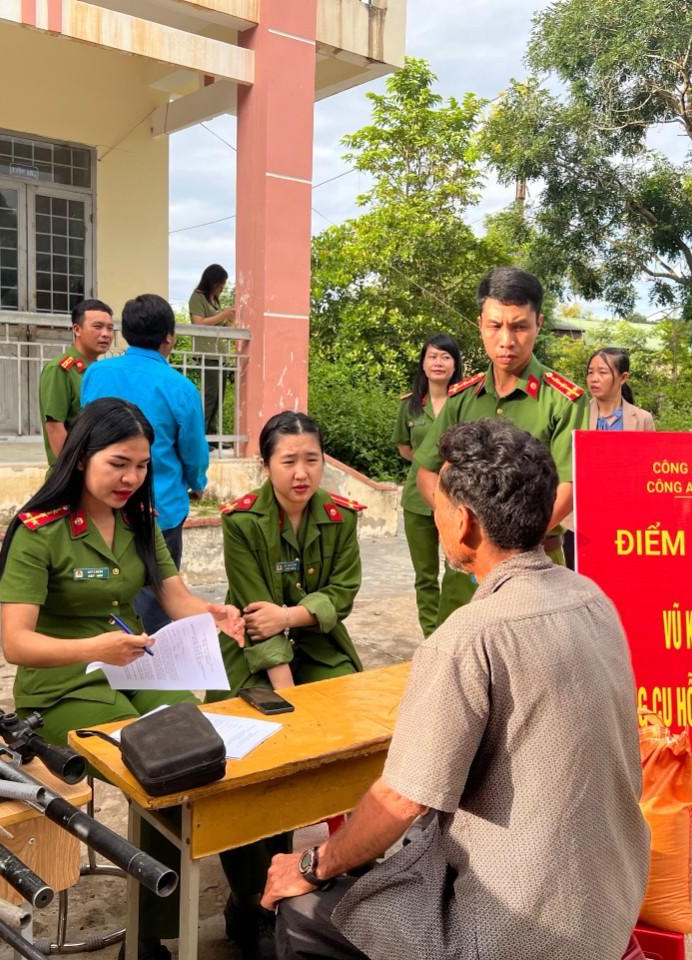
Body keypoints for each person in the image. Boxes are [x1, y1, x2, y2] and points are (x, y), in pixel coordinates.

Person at [264, 418, 650, 960]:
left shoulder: (469, 637)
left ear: (464, 523)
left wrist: (311, 864)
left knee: (302, 914)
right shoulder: (591, 597)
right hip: (610, 901)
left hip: (513, 929)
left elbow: (402, 799)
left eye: (439, 504)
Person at [0, 396, 244, 960]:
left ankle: (153, 925)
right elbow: (16, 642)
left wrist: (215, 613)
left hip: (134, 663)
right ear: (81, 457)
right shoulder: (40, 530)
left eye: (141, 465)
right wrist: (95, 647)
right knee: (154, 756)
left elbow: (174, 596)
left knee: (194, 745)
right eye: (118, 464)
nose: (131, 478)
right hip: (61, 682)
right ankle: (150, 931)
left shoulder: (139, 520)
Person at [213, 411, 364, 959]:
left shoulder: (341, 516)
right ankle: (251, 899)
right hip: (256, 656)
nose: (302, 473)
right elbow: (255, 618)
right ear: (266, 464)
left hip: (320, 647)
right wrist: (287, 695)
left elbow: (342, 592)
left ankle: (355, 867)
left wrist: (291, 615)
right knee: (255, 758)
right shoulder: (242, 521)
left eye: (312, 459)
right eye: (288, 461)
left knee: (354, 737)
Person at [413, 267, 588, 626]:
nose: (506, 340)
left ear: (538, 324)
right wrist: (458, 525)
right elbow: (427, 472)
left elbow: (570, 486)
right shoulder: (462, 399)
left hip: (534, 570)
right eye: (495, 326)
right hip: (467, 574)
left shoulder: (564, 401)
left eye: (519, 326)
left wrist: (509, 540)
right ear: (480, 324)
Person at [80, 294, 209, 631]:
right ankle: (150, 667)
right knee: (158, 595)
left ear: (127, 334)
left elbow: (85, 431)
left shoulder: (96, 374)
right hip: (159, 508)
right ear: (169, 337)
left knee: (104, 591)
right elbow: (194, 451)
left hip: (101, 507)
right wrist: (197, 484)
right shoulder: (180, 387)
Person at [394, 335, 463, 636]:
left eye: (446, 357)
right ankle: (431, 636)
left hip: (458, 497)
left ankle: (453, 633)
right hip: (417, 499)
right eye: (433, 356)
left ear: (455, 365)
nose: (438, 362)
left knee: (457, 570)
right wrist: (427, 469)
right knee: (425, 575)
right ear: (423, 363)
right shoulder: (409, 406)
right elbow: (404, 448)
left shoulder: (465, 400)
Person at [564, 346, 656, 568]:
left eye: (602, 372)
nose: (594, 379)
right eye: (590, 372)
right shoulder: (576, 414)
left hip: (625, 518)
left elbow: (649, 470)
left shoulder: (642, 419)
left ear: (623, 377)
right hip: (579, 521)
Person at [39, 298, 115, 465]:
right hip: (73, 473)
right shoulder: (60, 369)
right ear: (77, 329)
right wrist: (71, 469)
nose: (106, 334)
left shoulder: (99, 371)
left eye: (110, 328)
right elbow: (54, 426)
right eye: (98, 327)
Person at [188, 264, 238, 442]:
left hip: (220, 356)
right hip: (206, 355)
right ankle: (201, 437)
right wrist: (223, 314)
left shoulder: (214, 300)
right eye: (220, 285)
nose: (222, 289)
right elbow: (199, 323)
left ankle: (213, 436)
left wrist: (229, 320)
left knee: (219, 397)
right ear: (212, 282)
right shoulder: (197, 297)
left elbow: (218, 324)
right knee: (210, 396)